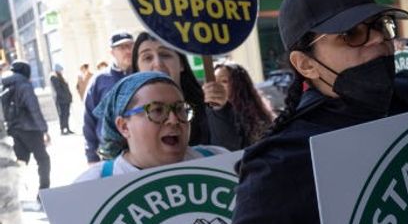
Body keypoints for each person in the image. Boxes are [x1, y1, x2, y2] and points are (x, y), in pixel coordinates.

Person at [222, 0, 408, 224]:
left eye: (379, 26)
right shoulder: (280, 166)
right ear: (306, 64)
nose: (377, 39)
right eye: (352, 34)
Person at [34, 72, 229, 224]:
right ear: (123, 126)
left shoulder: (217, 160)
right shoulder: (92, 185)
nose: (174, 120)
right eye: (157, 110)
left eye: (180, 109)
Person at [108, 33, 239, 157]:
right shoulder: (126, 113)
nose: (157, 63)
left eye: (165, 54)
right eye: (147, 57)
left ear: (181, 64)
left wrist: (219, 111)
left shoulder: (208, 104)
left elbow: (229, 155)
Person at [83, 31, 134, 163]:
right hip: (111, 153)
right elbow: (89, 119)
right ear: (112, 52)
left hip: (142, 149)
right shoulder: (99, 81)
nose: (128, 51)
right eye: (122, 48)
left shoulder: (143, 75)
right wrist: (91, 155)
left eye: (130, 46)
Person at [2, 61, 50, 191]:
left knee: (21, 160)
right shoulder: (24, 85)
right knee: (43, 160)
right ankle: (44, 191)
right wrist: (44, 130)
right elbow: (34, 108)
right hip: (30, 129)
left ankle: (13, 191)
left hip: (13, 129)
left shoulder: (4, 84)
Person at [214, 61, 274, 150]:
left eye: (224, 81)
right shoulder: (209, 114)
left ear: (239, 85)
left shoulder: (257, 119)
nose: (217, 86)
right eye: (214, 81)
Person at [49, 64, 73, 135]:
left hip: (66, 99)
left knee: (67, 114)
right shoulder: (54, 77)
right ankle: (63, 129)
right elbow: (58, 89)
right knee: (62, 114)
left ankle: (67, 128)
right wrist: (64, 96)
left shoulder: (61, 77)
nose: (62, 71)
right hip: (61, 100)